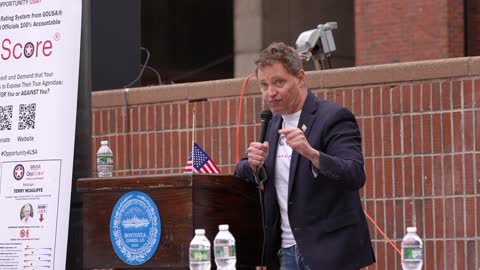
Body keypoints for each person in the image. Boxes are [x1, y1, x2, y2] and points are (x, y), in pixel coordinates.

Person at [235, 42, 375, 270]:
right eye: (263, 85)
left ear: (300, 78)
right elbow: (242, 171)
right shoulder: (272, 123)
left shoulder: (333, 117)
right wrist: (253, 164)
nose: (270, 93)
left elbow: (354, 173)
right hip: (285, 253)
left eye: (278, 82)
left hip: (329, 252)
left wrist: (312, 154)